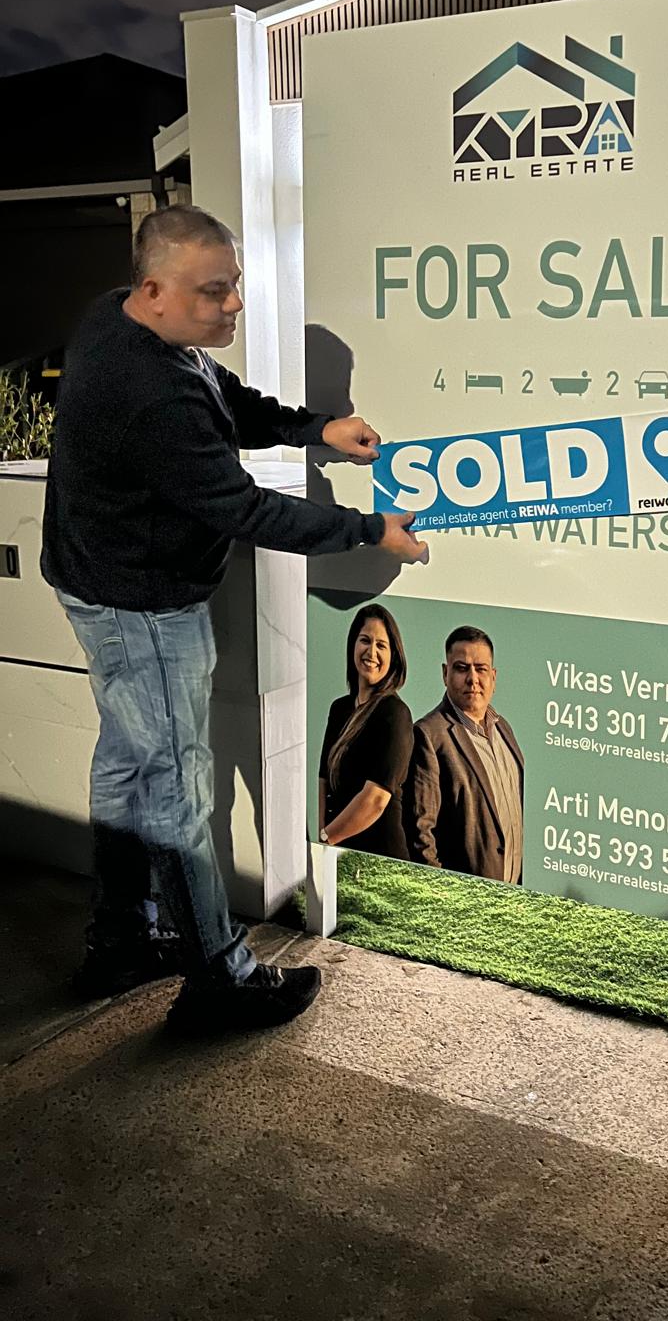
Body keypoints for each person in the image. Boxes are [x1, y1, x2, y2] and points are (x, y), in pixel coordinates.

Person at [42, 205, 427, 1035]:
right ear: (155, 289)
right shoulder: (148, 393)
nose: (235, 304)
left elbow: (221, 396)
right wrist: (369, 530)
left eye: (235, 284)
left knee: (128, 770)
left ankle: (120, 942)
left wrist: (315, 430)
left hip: (102, 586)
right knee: (174, 789)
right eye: (214, 292)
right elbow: (245, 509)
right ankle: (219, 978)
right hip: (142, 606)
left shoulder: (119, 317)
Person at [409, 627, 524, 881]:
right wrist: (443, 892)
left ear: (493, 677)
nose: (473, 678)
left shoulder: (503, 728)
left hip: (515, 892)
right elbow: (421, 833)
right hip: (465, 896)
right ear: (445, 673)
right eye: (462, 668)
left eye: (481, 669)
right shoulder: (429, 735)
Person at [318, 605, 414, 859]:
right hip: (338, 849)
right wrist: (322, 839)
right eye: (365, 641)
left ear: (394, 656)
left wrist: (327, 838)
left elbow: (376, 799)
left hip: (380, 857)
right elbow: (323, 780)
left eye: (381, 645)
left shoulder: (395, 714)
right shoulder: (339, 709)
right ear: (353, 645)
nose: (371, 652)